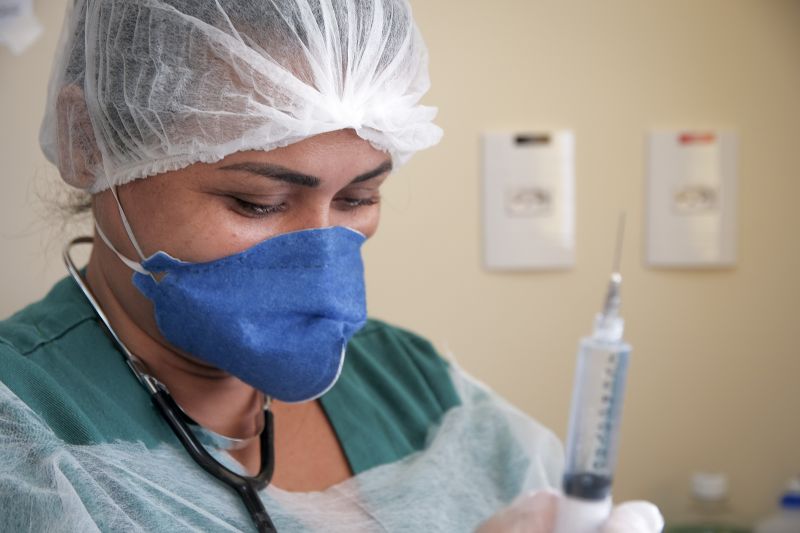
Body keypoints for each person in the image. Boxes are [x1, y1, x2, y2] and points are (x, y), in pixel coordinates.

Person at [0, 1, 663, 531]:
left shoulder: (413, 383)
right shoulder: (21, 431)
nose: (320, 251)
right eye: (257, 202)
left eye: (358, 198)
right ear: (90, 143)